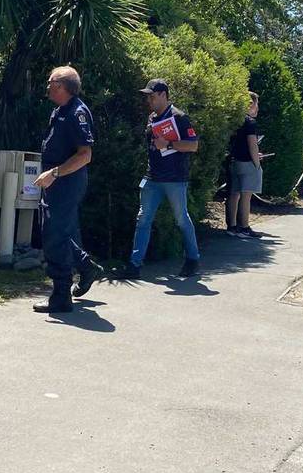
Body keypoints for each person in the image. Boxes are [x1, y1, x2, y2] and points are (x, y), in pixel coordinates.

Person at [32, 66, 103, 314]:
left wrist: (55, 173)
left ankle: (61, 297)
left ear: (61, 86)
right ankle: (85, 267)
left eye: (50, 82)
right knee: (59, 231)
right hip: (55, 180)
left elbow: (85, 155)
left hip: (65, 181)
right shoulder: (60, 110)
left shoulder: (77, 112)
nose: (47, 86)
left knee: (55, 235)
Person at [117, 79, 201, 279]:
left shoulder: (179, 117)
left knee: (181, 219)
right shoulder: (152, 117)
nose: (149, 100)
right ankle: (134, 265)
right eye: (148, 96)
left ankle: (192, 259)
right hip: (152, 177)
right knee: (143, 219)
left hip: (174, 178)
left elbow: (193, 146)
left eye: (152, 96)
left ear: (163, 94)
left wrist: (169, 144)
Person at [226, 91, 267, 238]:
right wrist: (257, 163)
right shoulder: (250, 122)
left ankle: (232, 226)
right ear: (250, 104)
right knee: (246, 195)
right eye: (257, 104)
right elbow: (252, 145)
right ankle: (244, 227)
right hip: (247, 163)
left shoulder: (236, 120)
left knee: (234, 194)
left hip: (234, 161)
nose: (257, 108)